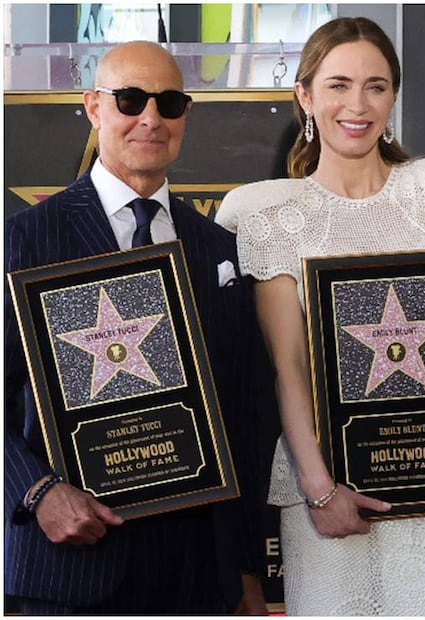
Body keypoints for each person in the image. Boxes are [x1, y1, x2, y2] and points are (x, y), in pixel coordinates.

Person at [217, 17, 425, 616]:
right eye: (338, 85)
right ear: (305, 95)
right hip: (322, 491)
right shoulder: (269, 215)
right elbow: (289, 369)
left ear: (393, 95)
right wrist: (320, 489)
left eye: (376, 86)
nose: (358, 104)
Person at [3, 41, 267, 614]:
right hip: (72, 564)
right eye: (129, 99)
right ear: (93, 107)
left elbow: (245, 416)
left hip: (199, 574)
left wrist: (248, 568)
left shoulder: (217, 248)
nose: (150, 118)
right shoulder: (24, 238)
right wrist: (37, 492)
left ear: (185, 115)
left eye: (168, 102)